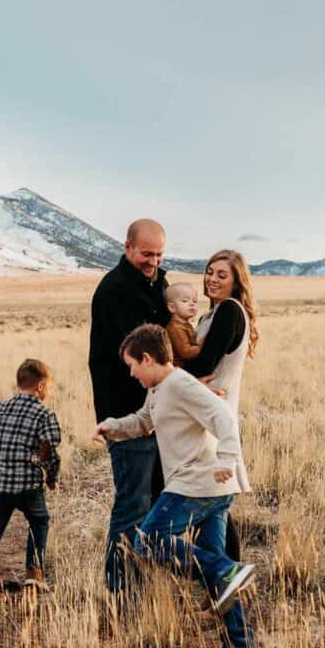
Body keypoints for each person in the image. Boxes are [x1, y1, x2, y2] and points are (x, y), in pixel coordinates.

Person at [94, 324, 262, 648]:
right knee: (218, 575)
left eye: (132, 366)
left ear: (148, 358)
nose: (131, 373)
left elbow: (222, 414)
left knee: (149, 541)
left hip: (196, 483)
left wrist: (226, 459)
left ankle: (228, 570)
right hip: (209, 490)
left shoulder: (180, 384)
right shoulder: (159, 390)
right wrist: (113, 425)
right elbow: (144, 421)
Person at [88, 219, 169, 593]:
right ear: (127, 247)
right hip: (126, 416)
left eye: (158, 254)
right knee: (133, 505)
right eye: (146, 254)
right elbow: (142, 355)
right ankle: (121, 590)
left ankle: (144, 581)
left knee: (154, 502)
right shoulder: (115, 290)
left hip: (155, 416)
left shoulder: (158, 284)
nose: (153, 261)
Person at [183, 250, 259, 562]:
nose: (212, 279)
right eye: (209, 271)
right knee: (210, 508)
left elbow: (205, 365)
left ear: (236, 281)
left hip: (213, 420)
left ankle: (228, 582)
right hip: (205, 416)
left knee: (214, 508)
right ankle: (223, 584)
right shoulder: (210, 315)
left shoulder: (229, 311)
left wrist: (166, 372)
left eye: (222, 275)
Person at [0, 358, 61, 590]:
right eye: (48, 386)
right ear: (40, 387)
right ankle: (33, 574)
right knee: (39, 522)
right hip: (28, 485)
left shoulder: (0, 408)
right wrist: (50, 475)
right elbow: (47, 451)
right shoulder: (44, 414)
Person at [165, 282, 202, 366]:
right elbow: (186, 352)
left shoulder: (186, 325)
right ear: (172, 307)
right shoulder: (175, 328)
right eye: (185, 301)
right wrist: (202, 345)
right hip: (179, 369)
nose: (192, 304)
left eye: (195, 301)